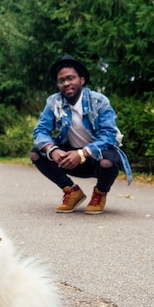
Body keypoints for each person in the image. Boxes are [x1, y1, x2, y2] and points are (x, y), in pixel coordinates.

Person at [31, 55, 132, 214]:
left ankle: (99, 193)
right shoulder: (53, 102)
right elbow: (40, 131)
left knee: (109, 162)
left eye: (71, 78)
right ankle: (72, 191)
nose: (66, 83)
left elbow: (109, 135)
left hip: (96, 157)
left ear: (82, 80)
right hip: (70, 157)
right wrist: (52, 150)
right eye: (61, 80)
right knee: (37, 153)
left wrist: (82, 153)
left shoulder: (99, 101)